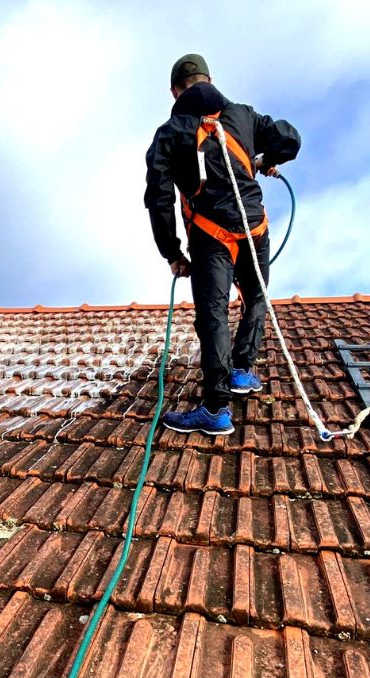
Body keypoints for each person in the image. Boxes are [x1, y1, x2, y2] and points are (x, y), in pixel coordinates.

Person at [145, 53, 301, 436]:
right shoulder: (244, 115)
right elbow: (290, 138)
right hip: (255, 228)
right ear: (210, 79)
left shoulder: (170, 132)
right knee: (255, 296)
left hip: (210, 235)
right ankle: (242, 371)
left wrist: (172, 253)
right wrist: (265, 159)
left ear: (174, 92)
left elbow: (159, 198)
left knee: (213, 313)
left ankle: (216, 409)